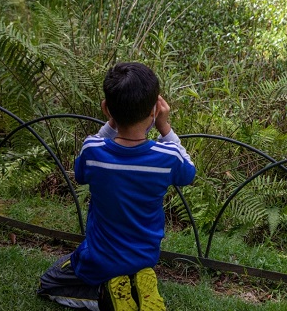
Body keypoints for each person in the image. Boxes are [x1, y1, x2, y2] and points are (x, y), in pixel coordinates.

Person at [38, 62, 196, 311]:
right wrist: (164, 126)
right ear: (155, 110)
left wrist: (111, 124)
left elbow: (80, 173)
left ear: (106, 109)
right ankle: (138, 283)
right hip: (144, 257)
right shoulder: (168, 157)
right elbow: (189, 172)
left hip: (100, 259)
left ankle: (105, 294)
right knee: (127, 267)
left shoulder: (93, 151)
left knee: (49, 281)